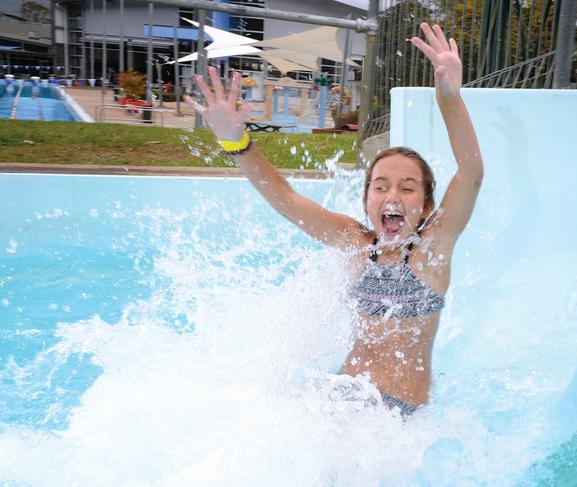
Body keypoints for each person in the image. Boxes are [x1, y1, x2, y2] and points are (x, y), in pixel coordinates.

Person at [185, 23, 483, 416]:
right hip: (340, 399)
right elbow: (286, 199)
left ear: (427, 207)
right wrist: (236, 141)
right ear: (367, 199)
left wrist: (449, 97)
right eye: (380, 186)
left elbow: (471, 173)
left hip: (399, 417)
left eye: (407, 188)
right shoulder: (355, 241)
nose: (392, 196)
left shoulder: (432, 250)